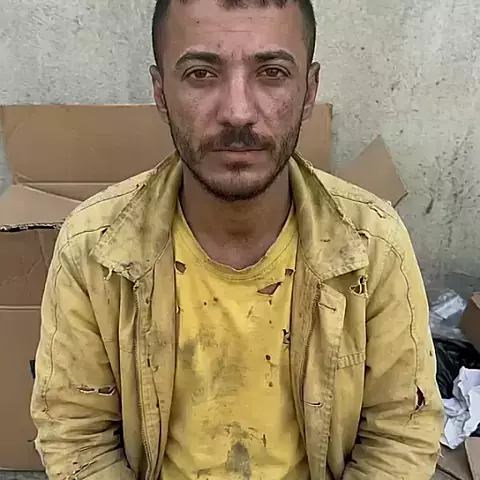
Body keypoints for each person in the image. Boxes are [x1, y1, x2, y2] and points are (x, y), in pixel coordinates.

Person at [31, 0, 444, 477]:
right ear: (160, 93)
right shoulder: (93, 248)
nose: (238, 112)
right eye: (201, 74)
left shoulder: (373, 245)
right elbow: (76, 438)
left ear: (309, 91)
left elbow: (400, 436)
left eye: (272, 73)